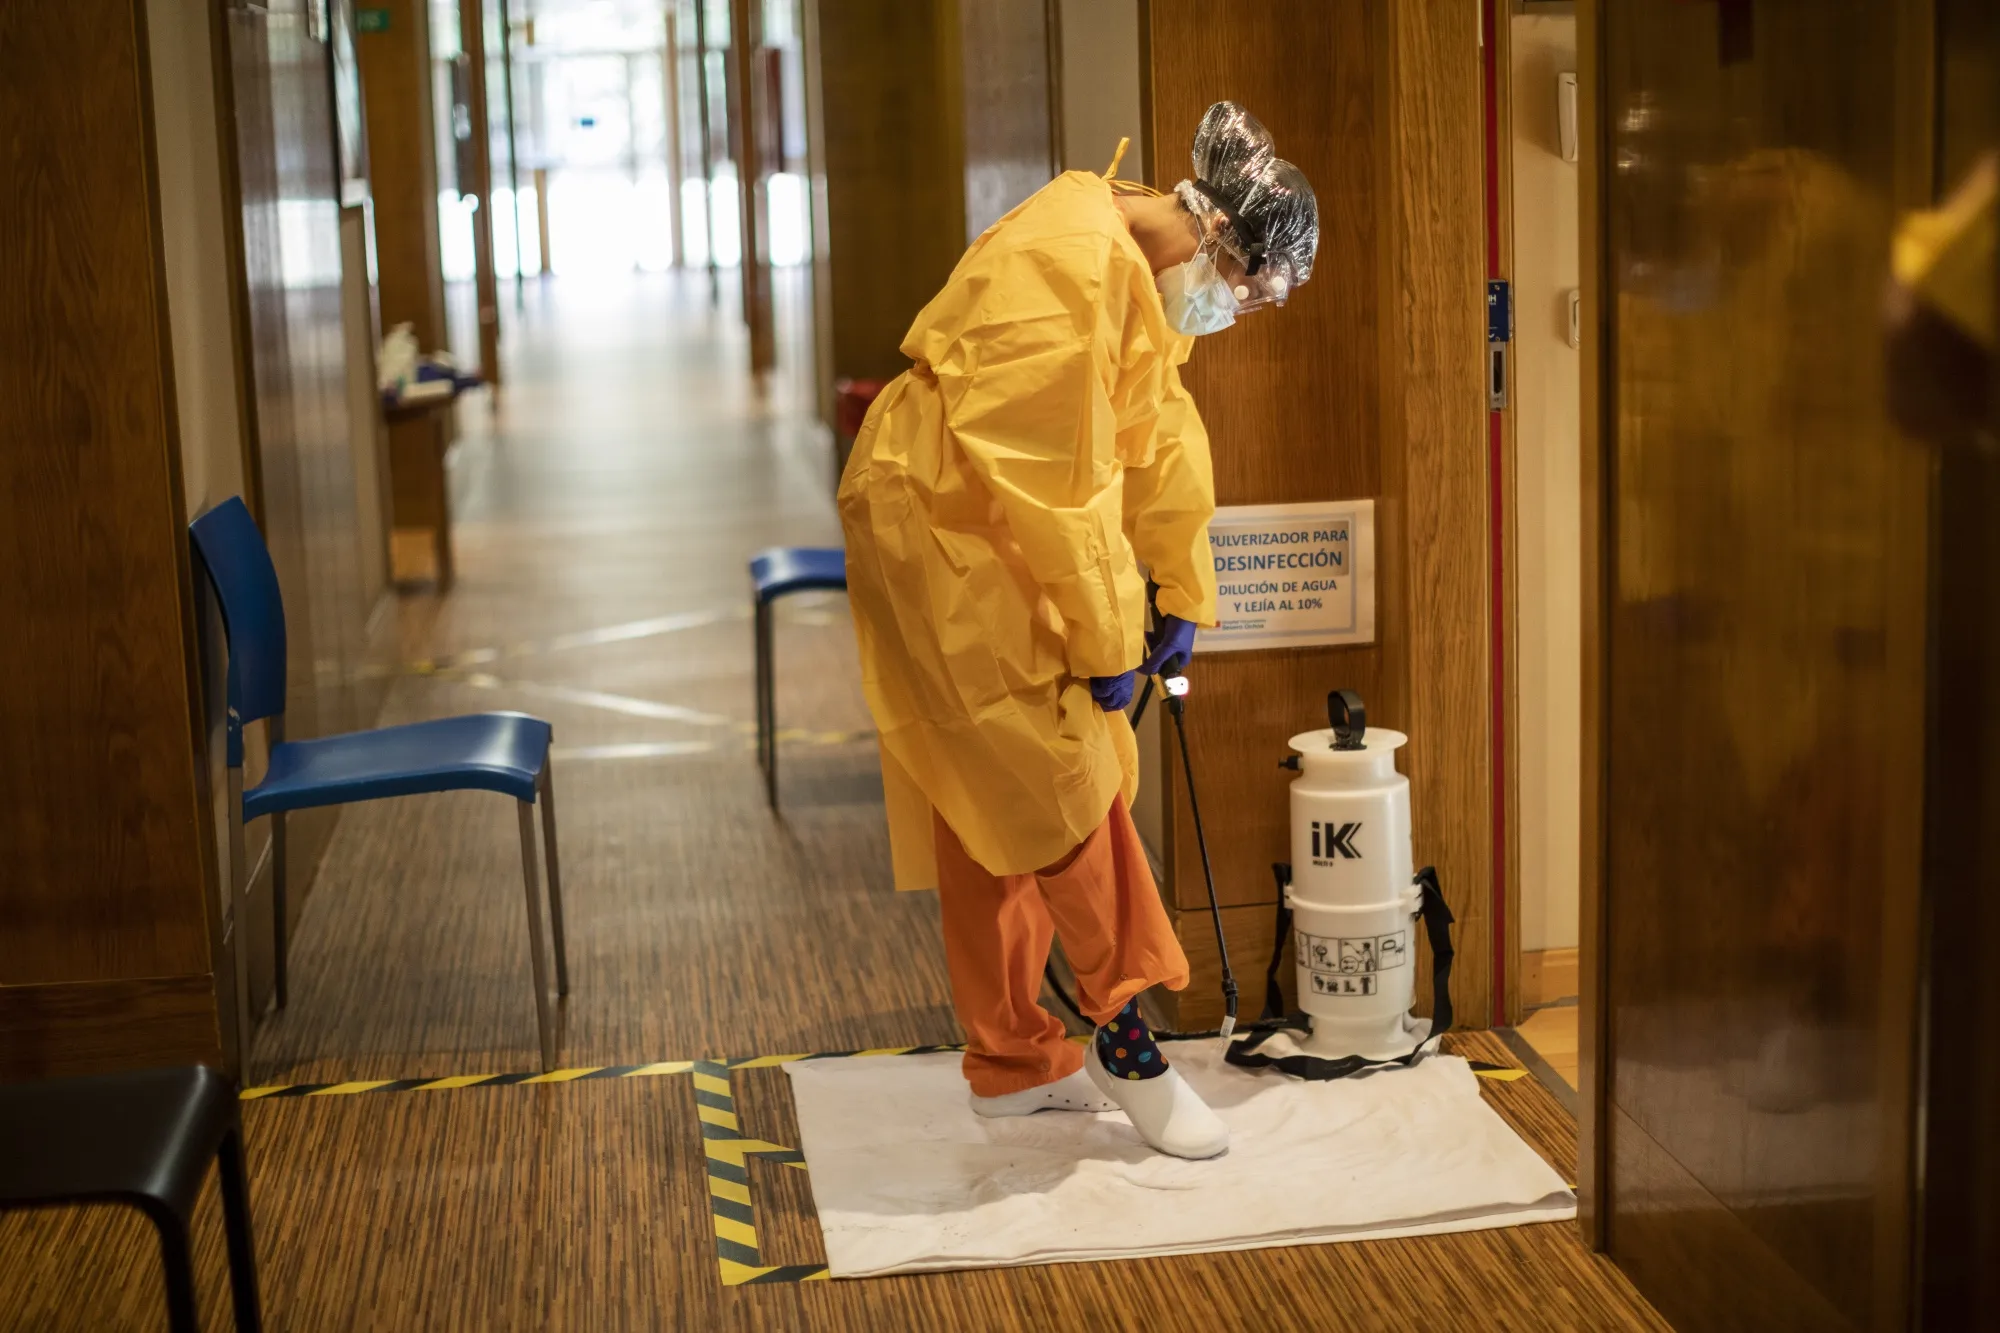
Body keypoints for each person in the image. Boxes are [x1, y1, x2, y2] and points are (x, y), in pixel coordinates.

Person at [838, 103, 1319, 1159]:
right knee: (1058, 780)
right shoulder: (1067, 270)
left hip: (978, 514)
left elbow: (1154, 436)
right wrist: (1109, 643)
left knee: (987, 805)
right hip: (943, 528)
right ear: (1212, 237)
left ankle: (1011, 1061)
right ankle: (1123, 1032)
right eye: (1244, 290)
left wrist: (1184, 587)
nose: (1233, 311)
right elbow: (1056, 492)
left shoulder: (1128, 268)